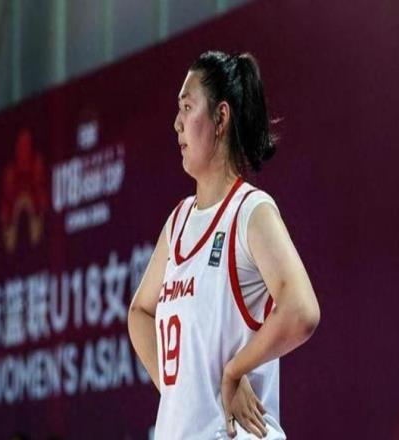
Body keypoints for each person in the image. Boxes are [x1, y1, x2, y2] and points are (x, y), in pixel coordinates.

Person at [128, 50, 320, 439]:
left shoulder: (250, 211)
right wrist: (186, 391)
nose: (177, 123)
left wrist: (234, 371)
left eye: (187, 107)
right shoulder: (178, 221)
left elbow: (302, 310)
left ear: (220, 117)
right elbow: (139, 313)